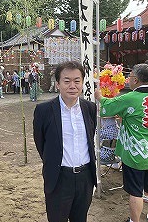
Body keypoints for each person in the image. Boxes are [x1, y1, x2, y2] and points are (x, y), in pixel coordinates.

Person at [94, 64, 148, 222]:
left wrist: (100, 97)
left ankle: (134, 221)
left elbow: (106, 108)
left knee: (135, 191)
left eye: (130, 77)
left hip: (136, 154)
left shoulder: (130, 98)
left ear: (135, 79)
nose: (128, 80)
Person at [33, 61, 97, 222]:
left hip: (85, 178)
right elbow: (41, 143)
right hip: (59, 178)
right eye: (66, 81)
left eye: (77, 81)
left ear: (82, 83)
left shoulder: (89, 108)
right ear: (58, 84)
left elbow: (90, 139)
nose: (72, 86)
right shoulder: (44, 110)